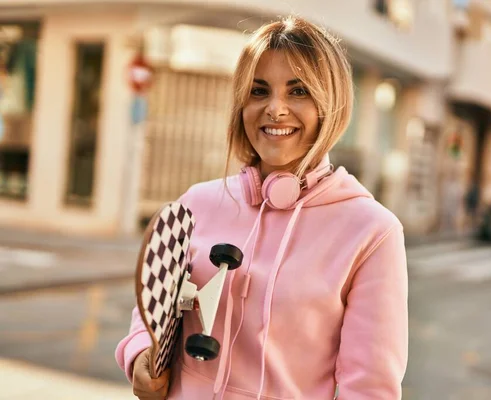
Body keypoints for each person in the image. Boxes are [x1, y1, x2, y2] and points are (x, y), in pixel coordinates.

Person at [115, 15, 408, 400]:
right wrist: (139, 354)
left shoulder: (371, 232)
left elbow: (369, 390)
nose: (275, 109)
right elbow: (154, 308)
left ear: (331, 105)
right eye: (258, 91)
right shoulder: (196, 203)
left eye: (298, 91)